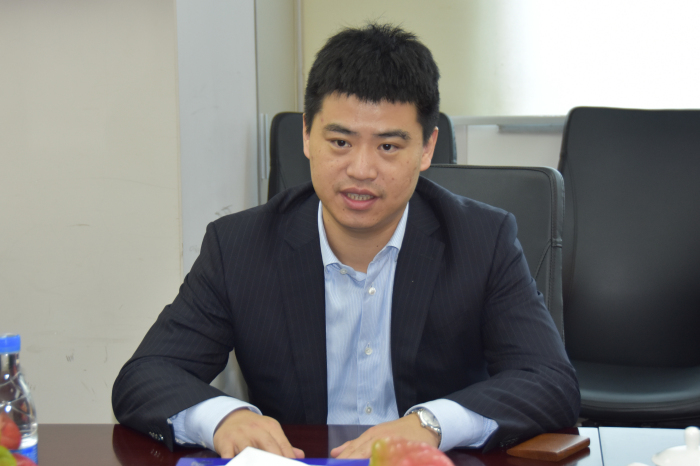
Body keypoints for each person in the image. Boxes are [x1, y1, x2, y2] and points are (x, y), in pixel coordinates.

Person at [112, 23, 580, 460]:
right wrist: (222, 418)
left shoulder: (482, 240)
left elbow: (550, 382)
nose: (361, 169)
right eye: (340, 142)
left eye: (388, 146)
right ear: (306, 136)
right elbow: (145, 376)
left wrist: (429, 425)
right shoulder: (239, 247)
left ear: (427, 149)